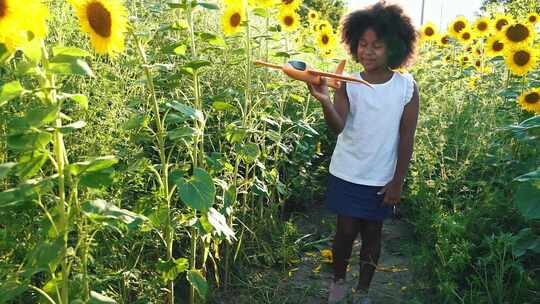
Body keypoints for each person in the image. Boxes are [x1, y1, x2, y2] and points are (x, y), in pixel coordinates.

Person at [307, 2, 419, 303]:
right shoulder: (348, 84)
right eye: (362, 44)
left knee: (372, 233)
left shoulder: (406, 87)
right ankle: (339, 283)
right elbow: (338, 127)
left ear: (394, 48)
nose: (367, 51)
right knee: (344, 231)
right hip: (347, 171)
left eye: (377, 46)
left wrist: (398, 181)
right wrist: (325, 100)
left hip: (381, 176)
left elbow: (406, 136)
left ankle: (363, 291)